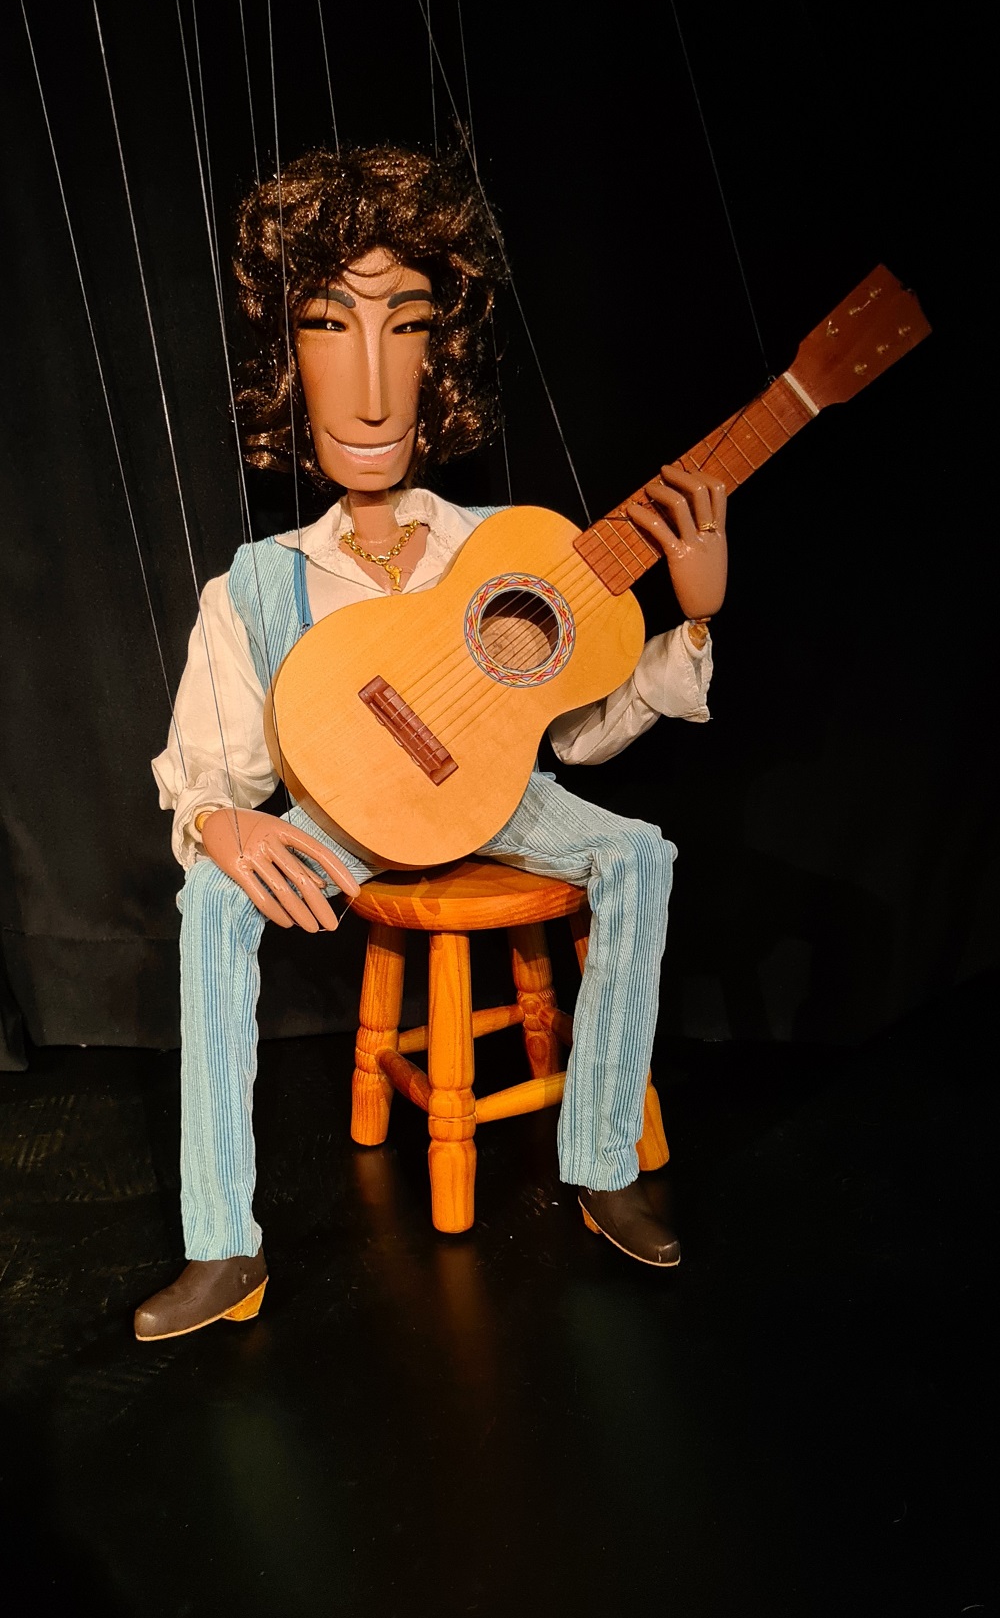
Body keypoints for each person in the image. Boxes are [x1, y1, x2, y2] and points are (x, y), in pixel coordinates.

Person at [134, 145, 728, 1341]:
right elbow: (208, 767)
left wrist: (693, 618)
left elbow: (581, 733)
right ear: (283, 361)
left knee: (639, 854)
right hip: (351, 813)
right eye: (329, 326)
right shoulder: (257, 584)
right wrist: (215, 820)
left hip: (498, 797)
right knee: (209, 900)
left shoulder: (505, 549)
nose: (370, 391)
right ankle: (223, 1245)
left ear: (439, 357)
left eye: (403, 327)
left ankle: (600, 1160)